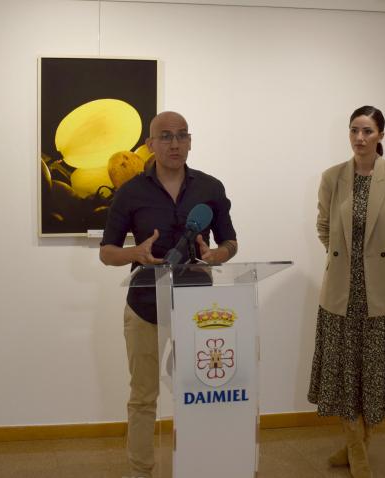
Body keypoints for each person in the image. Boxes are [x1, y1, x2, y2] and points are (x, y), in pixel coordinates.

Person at [100, 111, 238, 478]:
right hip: (145, 305)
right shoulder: (130, 192)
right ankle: (140, 471)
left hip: (198, 308)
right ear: (150, 144)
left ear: (190, 141)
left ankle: (198, 466)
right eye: (166, 137)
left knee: (199, 393)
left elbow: (230, 241)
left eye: (181, 136)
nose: (174, 144)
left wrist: (216, 254)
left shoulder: (211, 187)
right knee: (143, 397)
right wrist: (135, 254)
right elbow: (106, 252)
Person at [307, 106, 385, 478]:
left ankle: (359, 442)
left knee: (373, 374)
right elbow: (324, 226)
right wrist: (345, 260)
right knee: (344, 374)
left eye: (368, 131)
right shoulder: (332, 177)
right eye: (354, 130)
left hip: (381, 293)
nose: (360, 138)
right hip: (341, 290)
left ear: (381, 136)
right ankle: (356, 449)